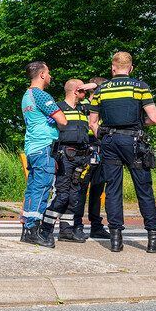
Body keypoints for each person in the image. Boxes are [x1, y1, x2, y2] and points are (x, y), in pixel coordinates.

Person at [88, 52, 156, 253]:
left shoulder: (102, 89)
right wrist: (137, 124)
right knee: (143, 188)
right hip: (133, 141)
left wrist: (103, 133)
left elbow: (93, 122)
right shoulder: (139, 86)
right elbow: (154, 118)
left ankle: (115, 240)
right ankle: (154, 239)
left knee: (112, 189)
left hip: (109, 141)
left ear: (113, 68)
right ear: (131, 68)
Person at [40, 79, 97, 245]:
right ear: (75, 91)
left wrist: (91, 86)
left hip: (82, 157)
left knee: (74, 195)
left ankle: (66, 231)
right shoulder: (57, 108)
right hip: (65, 156)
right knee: (63, 195)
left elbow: (102, 90)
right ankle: (46, 229)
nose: (85, 94)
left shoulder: (84, 107)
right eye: (82, 91)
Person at [20, 61, 67, 247]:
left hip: (32, 147)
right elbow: (62, 120)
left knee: (32, 187)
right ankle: (34, 231)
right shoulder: (40, 95)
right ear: (41, 75)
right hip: (44, 146)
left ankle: (27, 229)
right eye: (48, 73)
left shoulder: (26, 96)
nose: (50, 76)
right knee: (42, 187)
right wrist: (56, 117)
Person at [61, 77, 110, 240]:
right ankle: (77, 225)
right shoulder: (82, 106)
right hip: (84, 149)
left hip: (100, 148)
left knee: (97, 189)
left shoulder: (103, 108)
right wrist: (91, 87)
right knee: (80, 189)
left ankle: (96, 225)